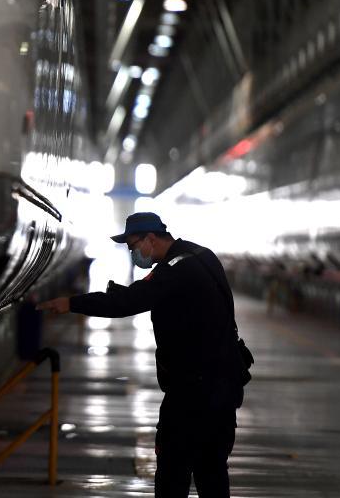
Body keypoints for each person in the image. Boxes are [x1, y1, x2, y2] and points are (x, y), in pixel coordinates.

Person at [38, 212, 244, 498]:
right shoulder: (202, 256)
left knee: (173, 471)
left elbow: (128, 301)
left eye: (133, 246)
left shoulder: (175, 269)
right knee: (212, 472)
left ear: (151, 238)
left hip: (194, 392)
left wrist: (72, 303)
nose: (133, 253)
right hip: (223, 388)